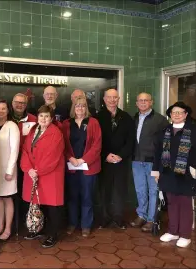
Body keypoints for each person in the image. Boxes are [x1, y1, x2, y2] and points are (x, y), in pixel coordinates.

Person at [152, 102, 196, 248]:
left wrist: (193, 168)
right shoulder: (164, 130)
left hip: (186, 174)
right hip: (167, 173)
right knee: (171, 203)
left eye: (180, 112)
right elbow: (157, 153)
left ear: (185, 114)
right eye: (173, 112)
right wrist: (156, 171)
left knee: (185, 205)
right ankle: (173, 231)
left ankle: (185, 235)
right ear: (170, 115)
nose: (176, 115)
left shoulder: (193, 131)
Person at [21, 105, 65, 248]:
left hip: (50, 175)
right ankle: (38, 229)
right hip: (33, 174)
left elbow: (53, 156)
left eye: (47, 116)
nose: (43, 118)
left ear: (51, 118)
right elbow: (25, 151)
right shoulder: (33, 130)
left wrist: (37, 171)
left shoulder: (56, 133)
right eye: (41, 116)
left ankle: (53, 234)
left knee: (52, 206)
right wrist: (29, 169)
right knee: (37, 204)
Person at [129, 93, 169, 232]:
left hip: (153, 162)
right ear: (136, 103)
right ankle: (141, 215)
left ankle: (152, 219)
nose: (143, 102)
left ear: (151, 102)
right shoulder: (133, 118)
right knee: (140, 190)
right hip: (136, 160)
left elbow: (166, 143)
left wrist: (162, 163)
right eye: (140, 100)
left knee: (153, 191)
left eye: (146, 100)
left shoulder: (161, 120)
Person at [62, 98, 102, 237]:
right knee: (72, 196)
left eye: (83, 106)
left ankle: (86, 225)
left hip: (88, 167)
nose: (80, 108)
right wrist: (71, 158)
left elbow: (97, 145)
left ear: (86, 108)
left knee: (87, 196)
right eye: (77, 106)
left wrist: (83, 159)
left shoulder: (93, 122)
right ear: (73, 108)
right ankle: (73, 223)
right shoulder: (66, 124)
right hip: (71, 166)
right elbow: (63, 145)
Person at [97, 89, 134, 229]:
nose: (112, 100)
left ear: (118, 99)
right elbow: (95, 141)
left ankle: (118, 218)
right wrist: (105, 155)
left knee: (120, 190)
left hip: (121, 161)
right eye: (109, 97)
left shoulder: (126, 117)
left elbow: (131, 140)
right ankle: (104, 218)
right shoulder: (97, 117)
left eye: (115, 97)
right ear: (104, 99)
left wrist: (121, 155)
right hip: (103, 160)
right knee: (104, 190)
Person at [0, 100, 20, 241]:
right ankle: (1, 226)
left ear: (8, 110)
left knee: (7, 198)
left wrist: (10, 170)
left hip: (7, 169)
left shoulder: (12, 126)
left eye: (4, 108)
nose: (1, 111)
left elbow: (15, 149)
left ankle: (8, 229)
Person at [11, 93, 37, 224]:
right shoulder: (6, 118)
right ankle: (14, 222)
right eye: (17, 102)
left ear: (26, 105)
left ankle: (26, 221)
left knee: (26, 193)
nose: (19, 105)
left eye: (22, 103)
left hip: (27, 164)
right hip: (10, 163)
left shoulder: (33, 119)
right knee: (11, 194)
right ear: (12, 103)